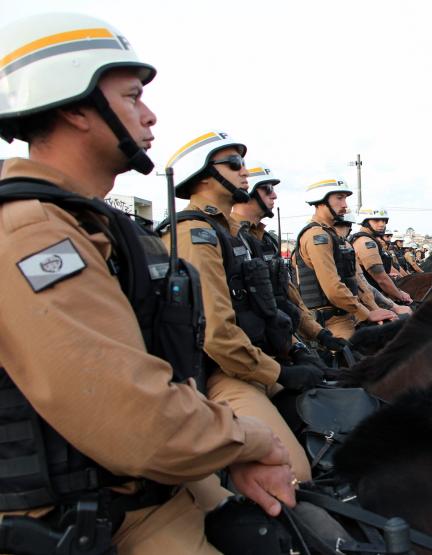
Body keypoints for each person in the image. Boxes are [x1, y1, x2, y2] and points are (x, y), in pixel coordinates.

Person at [0, 13, 293, 553]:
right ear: (72, 107)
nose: (150, 114)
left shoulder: (94, 224)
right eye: (133, 97)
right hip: (95, 513)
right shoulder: (33, 233)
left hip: (146, 481)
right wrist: (249, 440)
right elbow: (137, 417)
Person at [160, 132, 319, 482]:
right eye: (234, 165)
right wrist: (280, 373)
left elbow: (267, 305)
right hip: (222, 373)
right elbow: (216, 334)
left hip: (257, 360)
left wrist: (294, 350)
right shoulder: (194, 233)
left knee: (331, 414)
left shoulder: (234, 233)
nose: (245, 172)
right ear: (202, 177)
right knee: (295, 473)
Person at [231, 162, 346, 353]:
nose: (274, 195)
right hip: (249, 349)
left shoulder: (267, 241)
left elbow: (288, 296)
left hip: (279, 338)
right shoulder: (230, 238)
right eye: (267, 190)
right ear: (247, 192)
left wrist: (319, 334)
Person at [292, 180, 395, 339]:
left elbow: (356, 281)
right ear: (321, 201)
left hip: (348, 315)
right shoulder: (317, 236)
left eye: (345, 199)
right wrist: (366, 313)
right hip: (332, 322)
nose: (345, 205)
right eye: (339, 198)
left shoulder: (332, 236)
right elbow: (333, 288)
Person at [349, 208, 413, 305]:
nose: (382, 224)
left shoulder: (366, 240)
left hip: (375, 294)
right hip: (371, 299)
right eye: (376, 220)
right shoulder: (366, 242)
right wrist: (400, 295)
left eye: (384, 221)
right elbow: (381, 278)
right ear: (365, 221)